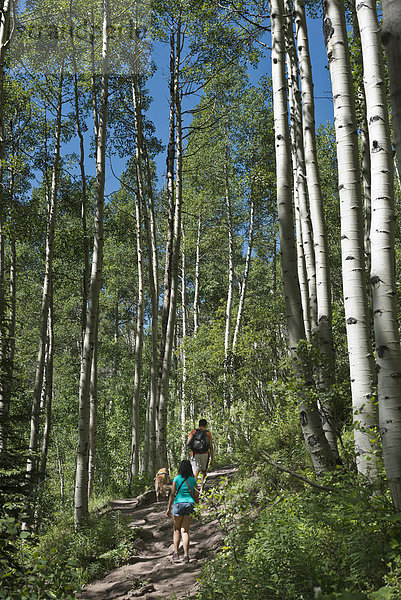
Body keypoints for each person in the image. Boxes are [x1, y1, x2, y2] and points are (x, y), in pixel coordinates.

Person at [166, 459, 199, 563]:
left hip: (178, 504)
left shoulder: (176, 479)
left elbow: (172, 494)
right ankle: (186, 555)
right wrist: (198, 508)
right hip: (189, 504)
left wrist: (168, 508)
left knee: (176, 530)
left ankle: (175, 554)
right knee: (185, 531)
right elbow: (196, 495)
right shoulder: (193, 480)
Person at [187, 419, 213, 493]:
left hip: (195, 454)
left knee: (195, 472)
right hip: (205, 454)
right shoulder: (208, 433)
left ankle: (194, 490)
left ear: (199, 424)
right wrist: (212, 459)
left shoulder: (193, 432)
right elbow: (210, 446)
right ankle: (201, 489)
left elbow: (188, 443)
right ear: (206, 425)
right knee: (204, 472)